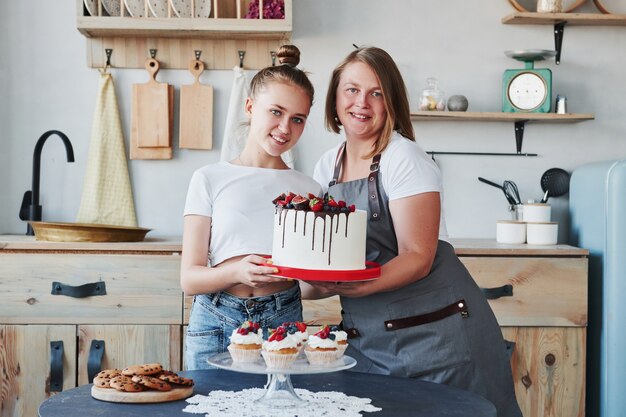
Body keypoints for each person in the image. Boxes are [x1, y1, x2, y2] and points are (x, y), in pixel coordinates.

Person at [303, 46, 522, 417]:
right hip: (372, 342)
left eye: (377, 93)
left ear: (392, 102)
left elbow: (417, 258)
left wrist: (353, 285)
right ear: (335, 98)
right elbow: (325, 268)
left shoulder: (405, 158)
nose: (362, 103)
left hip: (442, 341)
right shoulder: (327, 166)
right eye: (352, 90)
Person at [181, 44, 321, 370]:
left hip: (284, 318)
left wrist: (330, 282)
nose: (285, 128)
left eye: (297, 119)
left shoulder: (309, 190)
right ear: (249, 106)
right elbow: (189, 279)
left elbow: (310, 286)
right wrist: (237, 271)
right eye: (276, 112)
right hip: (216, 317)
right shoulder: (209, 178)